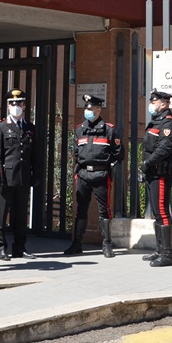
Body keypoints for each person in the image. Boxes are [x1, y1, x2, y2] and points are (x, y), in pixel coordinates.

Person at [64, 94, 123, 257]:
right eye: (86, 108)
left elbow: (119, 154)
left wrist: (108, 165)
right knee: (80, 210)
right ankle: (77, 244)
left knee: (105, 210)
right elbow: (76, 151)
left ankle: (107, 244)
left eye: (90, 108)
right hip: (83, 174)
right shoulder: (79, 129)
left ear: (99, 109)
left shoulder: (109, 130)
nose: (87, 111)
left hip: (101, 174)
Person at [0, 89, 37, 260]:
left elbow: (35, 155)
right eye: (12, 103)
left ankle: (20, 247)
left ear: (24, 106)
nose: (15, 106)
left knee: (20, 215)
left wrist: (36, 174)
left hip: (23, 177)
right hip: (6, 178)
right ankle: (0, 248)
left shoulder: (30, 128)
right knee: (1, 215)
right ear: (8, 106)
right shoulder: (0, 127)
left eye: (19, 103)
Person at [140, 89, 172, 267]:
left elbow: (164, 149)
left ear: (163, 104)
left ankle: (167, 255)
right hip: (152, 171)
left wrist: (148, 162)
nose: (152, 105)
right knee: (157, 212)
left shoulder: (168, 124)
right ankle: (159, 249)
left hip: (161, 172)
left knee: (162, 212)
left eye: (154, 102)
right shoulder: (156, 122)